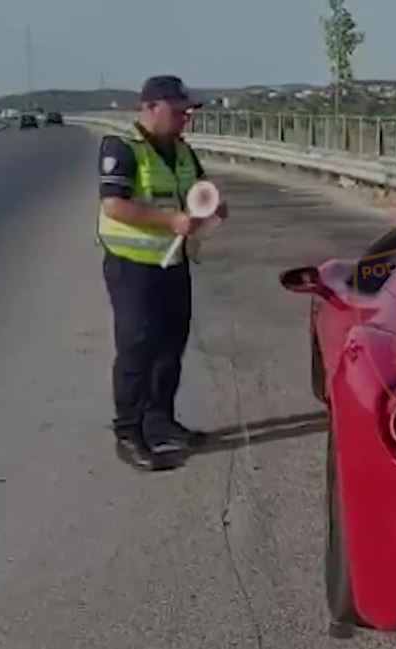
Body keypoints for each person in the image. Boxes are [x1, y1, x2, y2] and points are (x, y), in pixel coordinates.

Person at [97, 75, 228, 470]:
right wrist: (170, 221)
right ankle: (129, 432)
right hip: (132, 267)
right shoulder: (122, 147)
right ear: (151, 107)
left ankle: (160, 421)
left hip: (173, 263)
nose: (186, 117)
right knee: (138, 349)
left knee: (171, 345)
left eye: (189, 111)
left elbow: (199, 191)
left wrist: (212, 208)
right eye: (179, 110)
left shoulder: (182, 151)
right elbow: (114, 205)